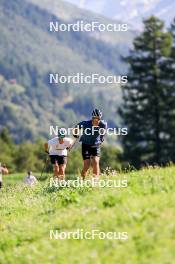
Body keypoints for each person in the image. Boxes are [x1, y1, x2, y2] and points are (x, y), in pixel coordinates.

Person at [73, 109, 107, 179]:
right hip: (85, 145)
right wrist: (75, 134)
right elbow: (76, 127)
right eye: (95, 118)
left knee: (95, 162)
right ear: (92, 118)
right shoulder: (85, 124)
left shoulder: (103, 124)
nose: (97, 120)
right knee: (87, 165)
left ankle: (95, 181)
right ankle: (82, 181)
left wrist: (101, 137)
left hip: (95, 144)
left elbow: (104, 130)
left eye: (99, 119)